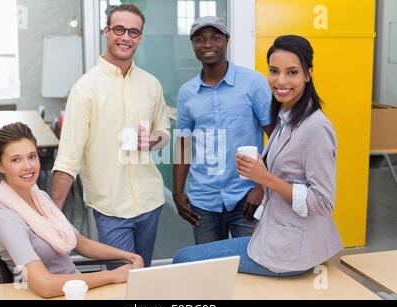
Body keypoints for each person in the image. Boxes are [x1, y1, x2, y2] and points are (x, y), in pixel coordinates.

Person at [173, 35, 343, 276]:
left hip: (293, 248)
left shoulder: (315, 127)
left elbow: (324, 203)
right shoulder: (286, 119)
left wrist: (263, 180)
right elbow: (183, 141)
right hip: (271, 234)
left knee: (184, 259)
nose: (280, 80)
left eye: (292, 72)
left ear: (308, 74)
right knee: (204, 266)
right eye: (274, 71)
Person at [50, 3, 170, 269]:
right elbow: (68, 158)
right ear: (107, 32)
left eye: (134, 32)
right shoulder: (85, 89)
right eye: (119, 29)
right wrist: (53, 214)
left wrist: (154, 140)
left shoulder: (151, 84)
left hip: (151, 201)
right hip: (111, 208)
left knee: (143, 276)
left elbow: (164, 132)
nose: (126, 37)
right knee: (123, 280)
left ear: (140, 37)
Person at [0, 122, 144, 299]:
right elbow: (46, 286)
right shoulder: (7, 220)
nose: (28, 166)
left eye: (32, 156)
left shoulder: (40, 199)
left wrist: (131, 257)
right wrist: (113, 276)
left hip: (75, 290)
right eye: (16, 159)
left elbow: (81, 243)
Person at [173, 16, 272, 245]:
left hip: (246, 196)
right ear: (193, 45)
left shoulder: (253, 82)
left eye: (215, 38)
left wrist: (261, 186)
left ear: (226, 41)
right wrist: (177, 193)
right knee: (210, 271)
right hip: (203, 201)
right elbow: (183, 144)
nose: (207, 45)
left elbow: (275, 136)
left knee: (250, 265)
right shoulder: (187, 93)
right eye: (200, 39)